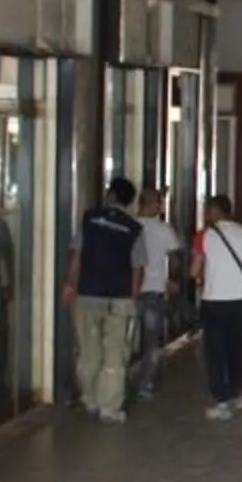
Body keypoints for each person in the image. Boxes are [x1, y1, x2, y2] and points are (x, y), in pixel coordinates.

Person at [65, 176, 143, 423]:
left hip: (87, 294)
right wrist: (133, 297)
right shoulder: (133, 228)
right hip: (118, 298)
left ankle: (89, 397)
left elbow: (77, 256)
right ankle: (109, 407)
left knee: (88, 350)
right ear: (129, 202)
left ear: (109, 195)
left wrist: (69, 285)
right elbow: (137, 268)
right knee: (114, 355)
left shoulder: (89, 220)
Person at [196, 192, 242, 422]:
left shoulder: (203, 236)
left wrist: (199, 275)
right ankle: (236, 392)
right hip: (240, 301)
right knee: (238, 349)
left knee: (215, 353)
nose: (206, 215)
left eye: (208, 210)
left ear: (215, 211)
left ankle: (221, 399)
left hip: (213, 301)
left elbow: (193, 270)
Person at [131, 186, 183, 398]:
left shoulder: (129, 226)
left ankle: (117, 381)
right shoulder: (164, 230)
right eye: (159, 203)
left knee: (124, 339)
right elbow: (176, 258)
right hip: (154, 289)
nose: (160, 207)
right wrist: (173, 280)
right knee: (151, 342)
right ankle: (145, 384)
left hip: (128, 290)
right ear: (152, 204)